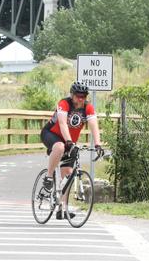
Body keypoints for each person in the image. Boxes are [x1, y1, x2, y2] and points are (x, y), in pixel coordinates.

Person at [40, 81, 104, 219]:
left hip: (70, 140)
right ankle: (49, 177)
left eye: (83, 96)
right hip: (51, 134)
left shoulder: (88, 108)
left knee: (68, 174)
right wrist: (68, 141)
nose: (81, 99)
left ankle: (62, 209)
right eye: (78, 96)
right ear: (72, 95)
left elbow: (94, 126)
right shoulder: (64, 103)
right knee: (60, 146)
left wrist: (98, 144)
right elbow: (62, 124)